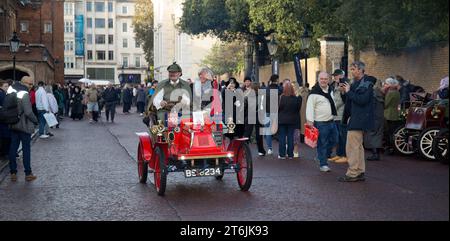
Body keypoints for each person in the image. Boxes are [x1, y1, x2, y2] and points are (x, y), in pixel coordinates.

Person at [339, 61, 374, 182]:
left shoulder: (367, 84)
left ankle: (353, 173)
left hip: (360, 119)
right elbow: (349, 101)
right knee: (358, 147)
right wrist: (344, 92)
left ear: (360, 70)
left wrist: (349, 91)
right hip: (356, 118)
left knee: (352, 147)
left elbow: (362, 100)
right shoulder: (356, 83)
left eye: (353, 69)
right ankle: (359, 171)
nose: (352, 71)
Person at [8, 76, 38, 182]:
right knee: (26, 149)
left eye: (32, 84)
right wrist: (35, 121)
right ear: (23, 82)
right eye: (29, 84)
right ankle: (28, 173)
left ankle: (13, 172)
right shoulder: (24, 93)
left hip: (13, 123)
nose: (30, 86)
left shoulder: (11, 91)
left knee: (13, 148)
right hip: (24, 125)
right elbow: (28, 112)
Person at [306, 72, 338, 172]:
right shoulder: (314, 93)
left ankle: (321, 156)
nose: (323, 81)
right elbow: (309, 107)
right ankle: (323, 164)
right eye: (321, 79)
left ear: (328, 80)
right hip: (320, 123)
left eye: (325, 79)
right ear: (318, 79)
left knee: (335, 140)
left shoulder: (330, 90)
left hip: (331, 120)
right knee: (322, 143)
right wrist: (310, 121)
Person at [328, 69, 349, 163]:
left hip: (341, 114)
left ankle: (344, 155)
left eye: (337, 75)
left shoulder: (345, 84)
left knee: (342, 136)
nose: (335, 77)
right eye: (334, 75)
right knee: (338, 137)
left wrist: (331, 108)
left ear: (342, 75)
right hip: (335, 115)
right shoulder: (334, 85)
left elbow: (342, 100)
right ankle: (339, 154)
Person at [278, 81, 302, 159]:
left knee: (282, 137)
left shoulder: (282, 97)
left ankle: (282, 154)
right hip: (292, 120)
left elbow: (279, 108)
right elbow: (298, 109)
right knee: (290, 137)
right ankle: (290, 154)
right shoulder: (295, 98)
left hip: (282, 120)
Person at [364, 78, 385, 161]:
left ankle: (375, 154)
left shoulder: (373, 95)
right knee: (378, 135)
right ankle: (377, 153)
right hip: (380, 116)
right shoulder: (381, 94)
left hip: (374, 117)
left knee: (372, 135)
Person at [263, 74, 281, 155]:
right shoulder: (279, 89)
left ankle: (270, 148)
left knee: (268, 130)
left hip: (267, 111)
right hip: (276, 111)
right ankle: (283, 148)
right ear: (276, 80)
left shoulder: (266, 89)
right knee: (280, 130)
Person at [383, 77, 401, 155]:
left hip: (388, 114)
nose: (385, 85)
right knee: (392, 132)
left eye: (386, 84)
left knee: (387, 132)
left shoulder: (390, 93)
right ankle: (392, 148)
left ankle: (388, 148)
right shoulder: (397, 92)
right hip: (395, 114)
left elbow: (386, 104)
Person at [0, 80, 12, 159]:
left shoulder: (4, 93)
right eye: (5, 86)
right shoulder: (2, 94)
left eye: (7, 86)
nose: (7, 87)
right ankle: (4, 153)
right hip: (3, 118)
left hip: (3, 118)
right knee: (5, 136)